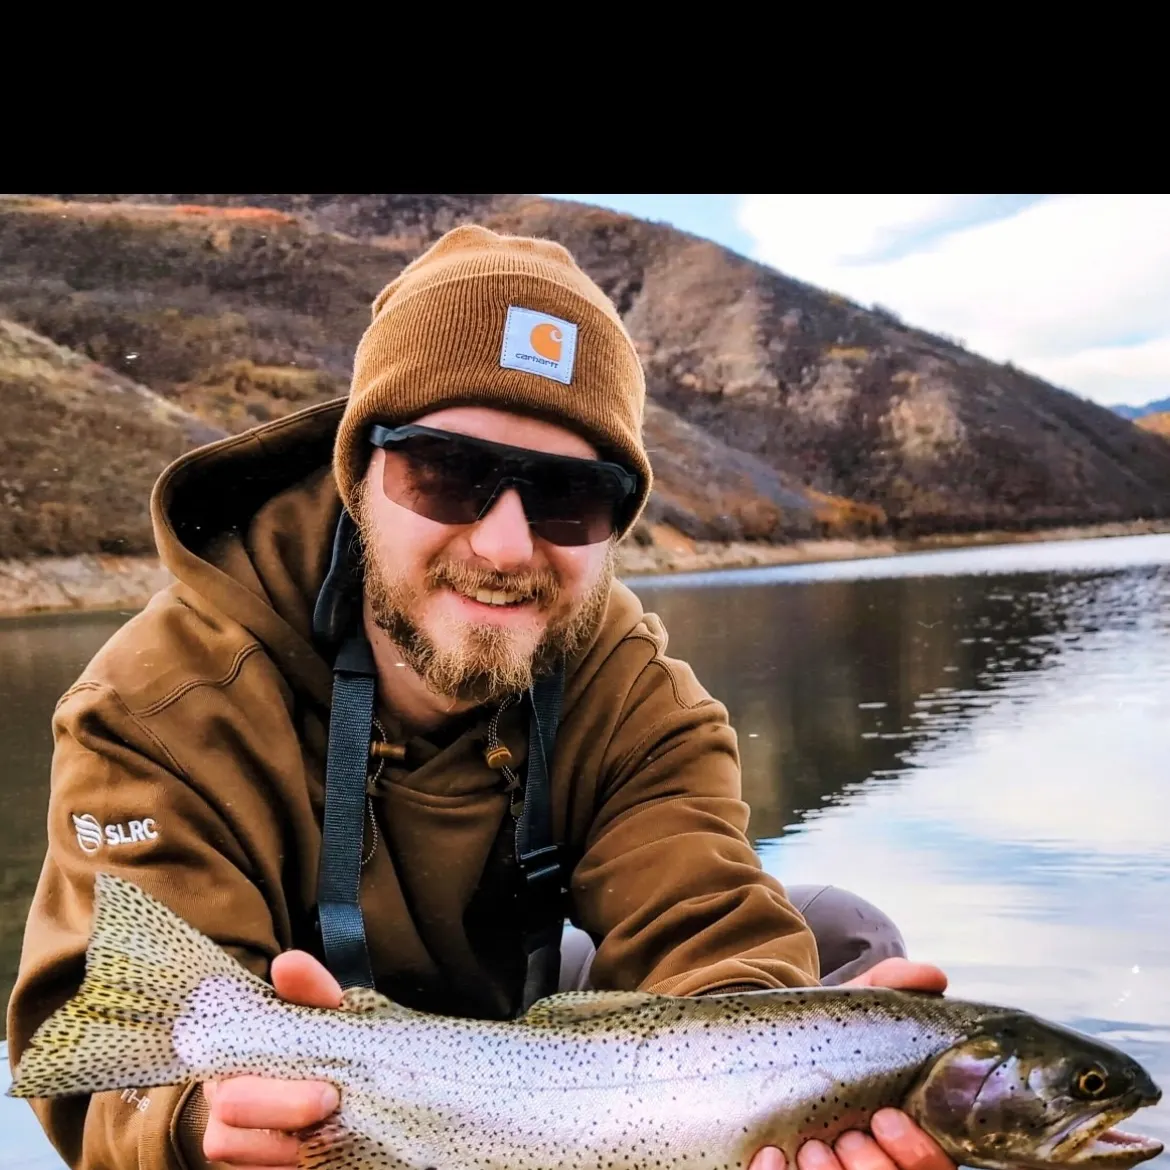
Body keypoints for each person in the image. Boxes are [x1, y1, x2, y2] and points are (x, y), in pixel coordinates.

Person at [8, 225, 954, 1170]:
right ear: (359, 476)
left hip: (529, 1047)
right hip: (319, 1076)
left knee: (842, 943)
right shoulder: (157, 705)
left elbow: (703, 922)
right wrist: (191, 1124)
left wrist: (783, 1098)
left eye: (569, 497)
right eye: (447, 473)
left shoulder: (633, 687)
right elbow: (101, 1063)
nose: (505, 548)